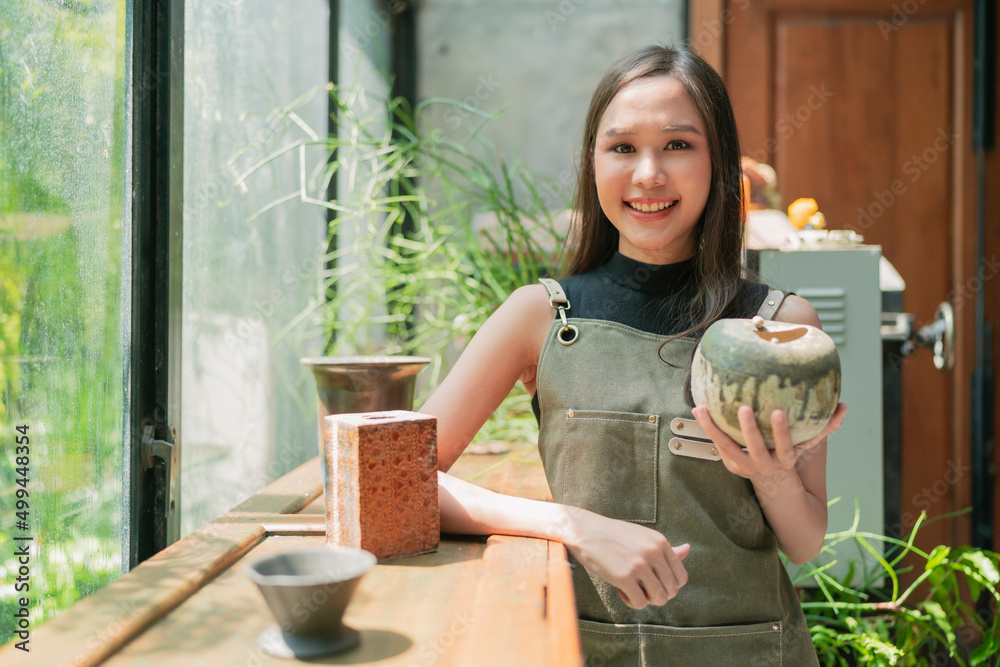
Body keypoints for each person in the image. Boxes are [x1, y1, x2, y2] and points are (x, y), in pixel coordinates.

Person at [420, 44, 847, 666]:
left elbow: (806, 541)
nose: (648, 174)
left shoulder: (781, 326)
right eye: (622, 147)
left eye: (678, 145)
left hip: (752, 650)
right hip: (586, 648)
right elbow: (399, 479)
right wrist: (570, 524)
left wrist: (773, 476)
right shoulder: (538, 315)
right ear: (593, 163)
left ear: (718, 161)